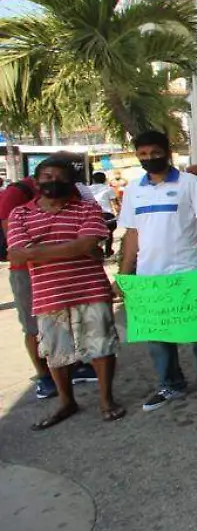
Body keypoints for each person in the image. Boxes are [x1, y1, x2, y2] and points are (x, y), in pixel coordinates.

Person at [118, 130, 197, 411]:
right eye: (143, 154)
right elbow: (131, 233)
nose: (150, 158)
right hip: (149, 276)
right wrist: (125, 272)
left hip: (187, 269)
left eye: (155, 152)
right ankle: (170, 384)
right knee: (157, 334)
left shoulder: (189, 183)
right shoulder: (133, 190)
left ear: (167, 152)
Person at [7, 156, 122, 429]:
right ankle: (66, 401)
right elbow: (17, 253)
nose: (53, 182)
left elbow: (87, 244)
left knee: (102, 347)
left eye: (60, 177)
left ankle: (106, 400)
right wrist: (75, 247)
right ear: (37, 181)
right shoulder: (20, 213)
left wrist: (37, 250)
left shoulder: (87, 208)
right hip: (49, 293)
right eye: (47, 177)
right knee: (56, 351)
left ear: (71, 182)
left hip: (90, 288)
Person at [2, 175, 57, 399]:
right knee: (33, 326)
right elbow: (15, 245)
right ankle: (44, 375)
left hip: (59, 267)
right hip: (25, 271)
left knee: (62, 320)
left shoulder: (68, 190)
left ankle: (71, 367)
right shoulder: (16, 193)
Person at [89, 172, 118, 257]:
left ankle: (94, 252)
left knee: (92, 234)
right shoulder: (109, 189)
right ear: (105, 180)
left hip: (92, 215)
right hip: (107, 215)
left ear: (93, 180)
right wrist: (118, 214)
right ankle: (108, 251)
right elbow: (115, 204)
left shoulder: (87, 189)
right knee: (109, 232)